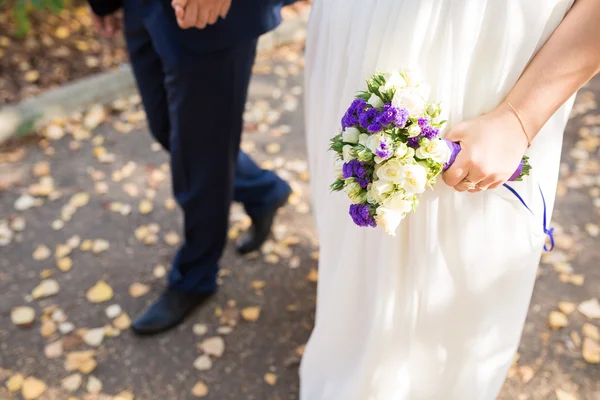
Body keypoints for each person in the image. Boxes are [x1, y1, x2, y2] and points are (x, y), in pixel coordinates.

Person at [299, 0, 600, 399]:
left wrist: (518, 117)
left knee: (450, 248)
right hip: (355, 21)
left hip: (484, 52)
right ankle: (350, 347)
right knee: (356, 238)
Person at [87, 0, 293, 336]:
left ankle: (195, 277)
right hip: (143, 8)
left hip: (212, 12)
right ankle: (262, 190)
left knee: (200, 151)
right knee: (171, 131)